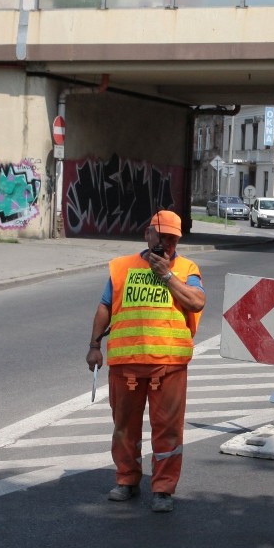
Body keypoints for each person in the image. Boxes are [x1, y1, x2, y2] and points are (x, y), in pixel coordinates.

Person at [85, 210, 206, 513]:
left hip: (168, 366)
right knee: (124, 428)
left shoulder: (187, 268)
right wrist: (94, 345)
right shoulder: (122, 267)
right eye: (161, 236)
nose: (166, 243)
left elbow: (197, 301)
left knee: (168, 431)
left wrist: (166, 275)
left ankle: (163, 488)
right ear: (147, 234)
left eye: (172, 238)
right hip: (126, 365)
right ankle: (126, 479)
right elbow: (104, 307)